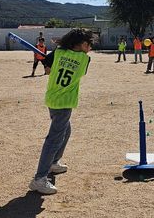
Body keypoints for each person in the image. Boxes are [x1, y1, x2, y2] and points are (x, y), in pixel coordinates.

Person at [29, 28, 94, 195]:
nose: (90, 47)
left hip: (52, 99)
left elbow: (48, 70)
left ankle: (53, 163)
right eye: (89, 43)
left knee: (66, 130)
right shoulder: (84, 60)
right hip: (64, 103)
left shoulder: (58, 52)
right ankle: (39, 178)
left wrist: (54, 56)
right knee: (54, 139)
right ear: (81, 44)